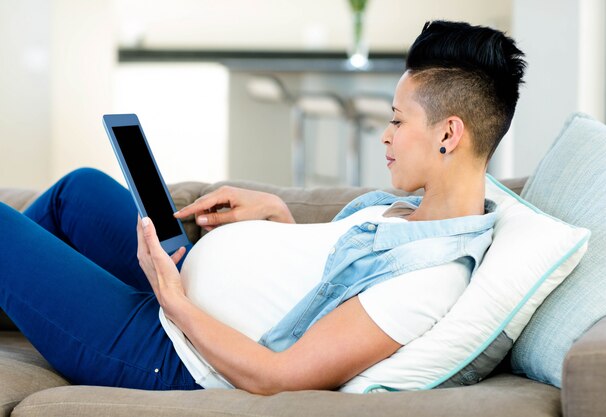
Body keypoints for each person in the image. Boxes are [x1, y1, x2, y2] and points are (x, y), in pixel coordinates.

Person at [0, 20, 526, 394]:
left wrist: (174, 301)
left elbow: (281, 377)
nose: (384, 136)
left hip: (172, 351)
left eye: (397, 120)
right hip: (182, 290)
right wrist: (279, 218)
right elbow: (324, 285)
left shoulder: (430, 281)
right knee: (80, 190)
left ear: (448, 134)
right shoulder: (409, 212)